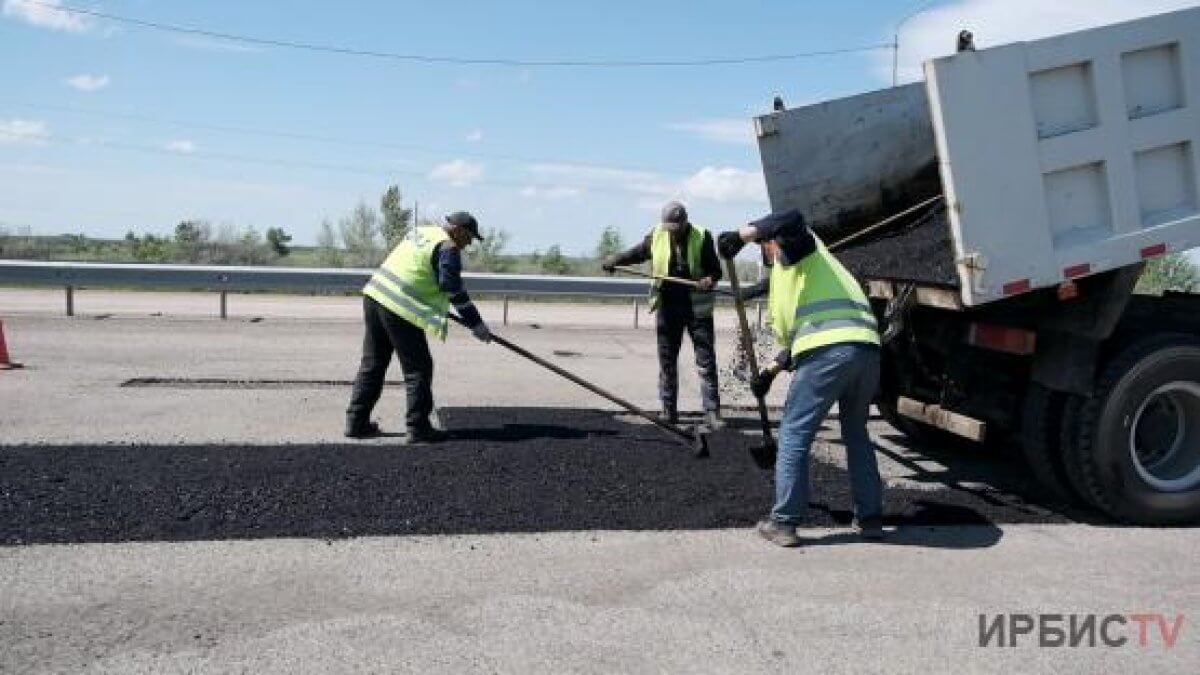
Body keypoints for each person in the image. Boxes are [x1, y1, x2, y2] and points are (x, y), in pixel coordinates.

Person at [718, 209, 884, 547]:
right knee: (857, 435)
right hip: (865, 353)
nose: (763, 254)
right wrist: (769, 372)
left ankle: (784, 522)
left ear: (769, 241)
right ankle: (871, 518)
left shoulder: (798, 247)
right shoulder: (816, 272)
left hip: (831, 353)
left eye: (762, 246)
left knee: (794, 434)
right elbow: (812, 331)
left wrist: (742, 234)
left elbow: (792, 217)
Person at [345, 211, 492, 443]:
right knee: (419, 368)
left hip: (375, 296)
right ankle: (418, 427)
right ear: (459, 230)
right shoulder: (448, 247)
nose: (469, 243)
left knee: (373, 363)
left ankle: (356, 422)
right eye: (470, 237)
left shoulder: (422, 232)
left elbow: (418, 270)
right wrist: (476, 323)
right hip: (399, 306)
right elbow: (451, 287)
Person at [603, 201, 723, 429]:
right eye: (669, 228)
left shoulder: (702, 236)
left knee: (705, 361)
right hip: (668, 306)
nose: (673, 233)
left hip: (696, 307)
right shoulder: (657, 234)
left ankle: (712, 412)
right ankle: (669, 410)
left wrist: (709, 280)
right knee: (667, 361)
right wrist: (616, 260)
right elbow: (638, 253)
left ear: (685, 222)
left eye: (676, 228)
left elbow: (716, 270)